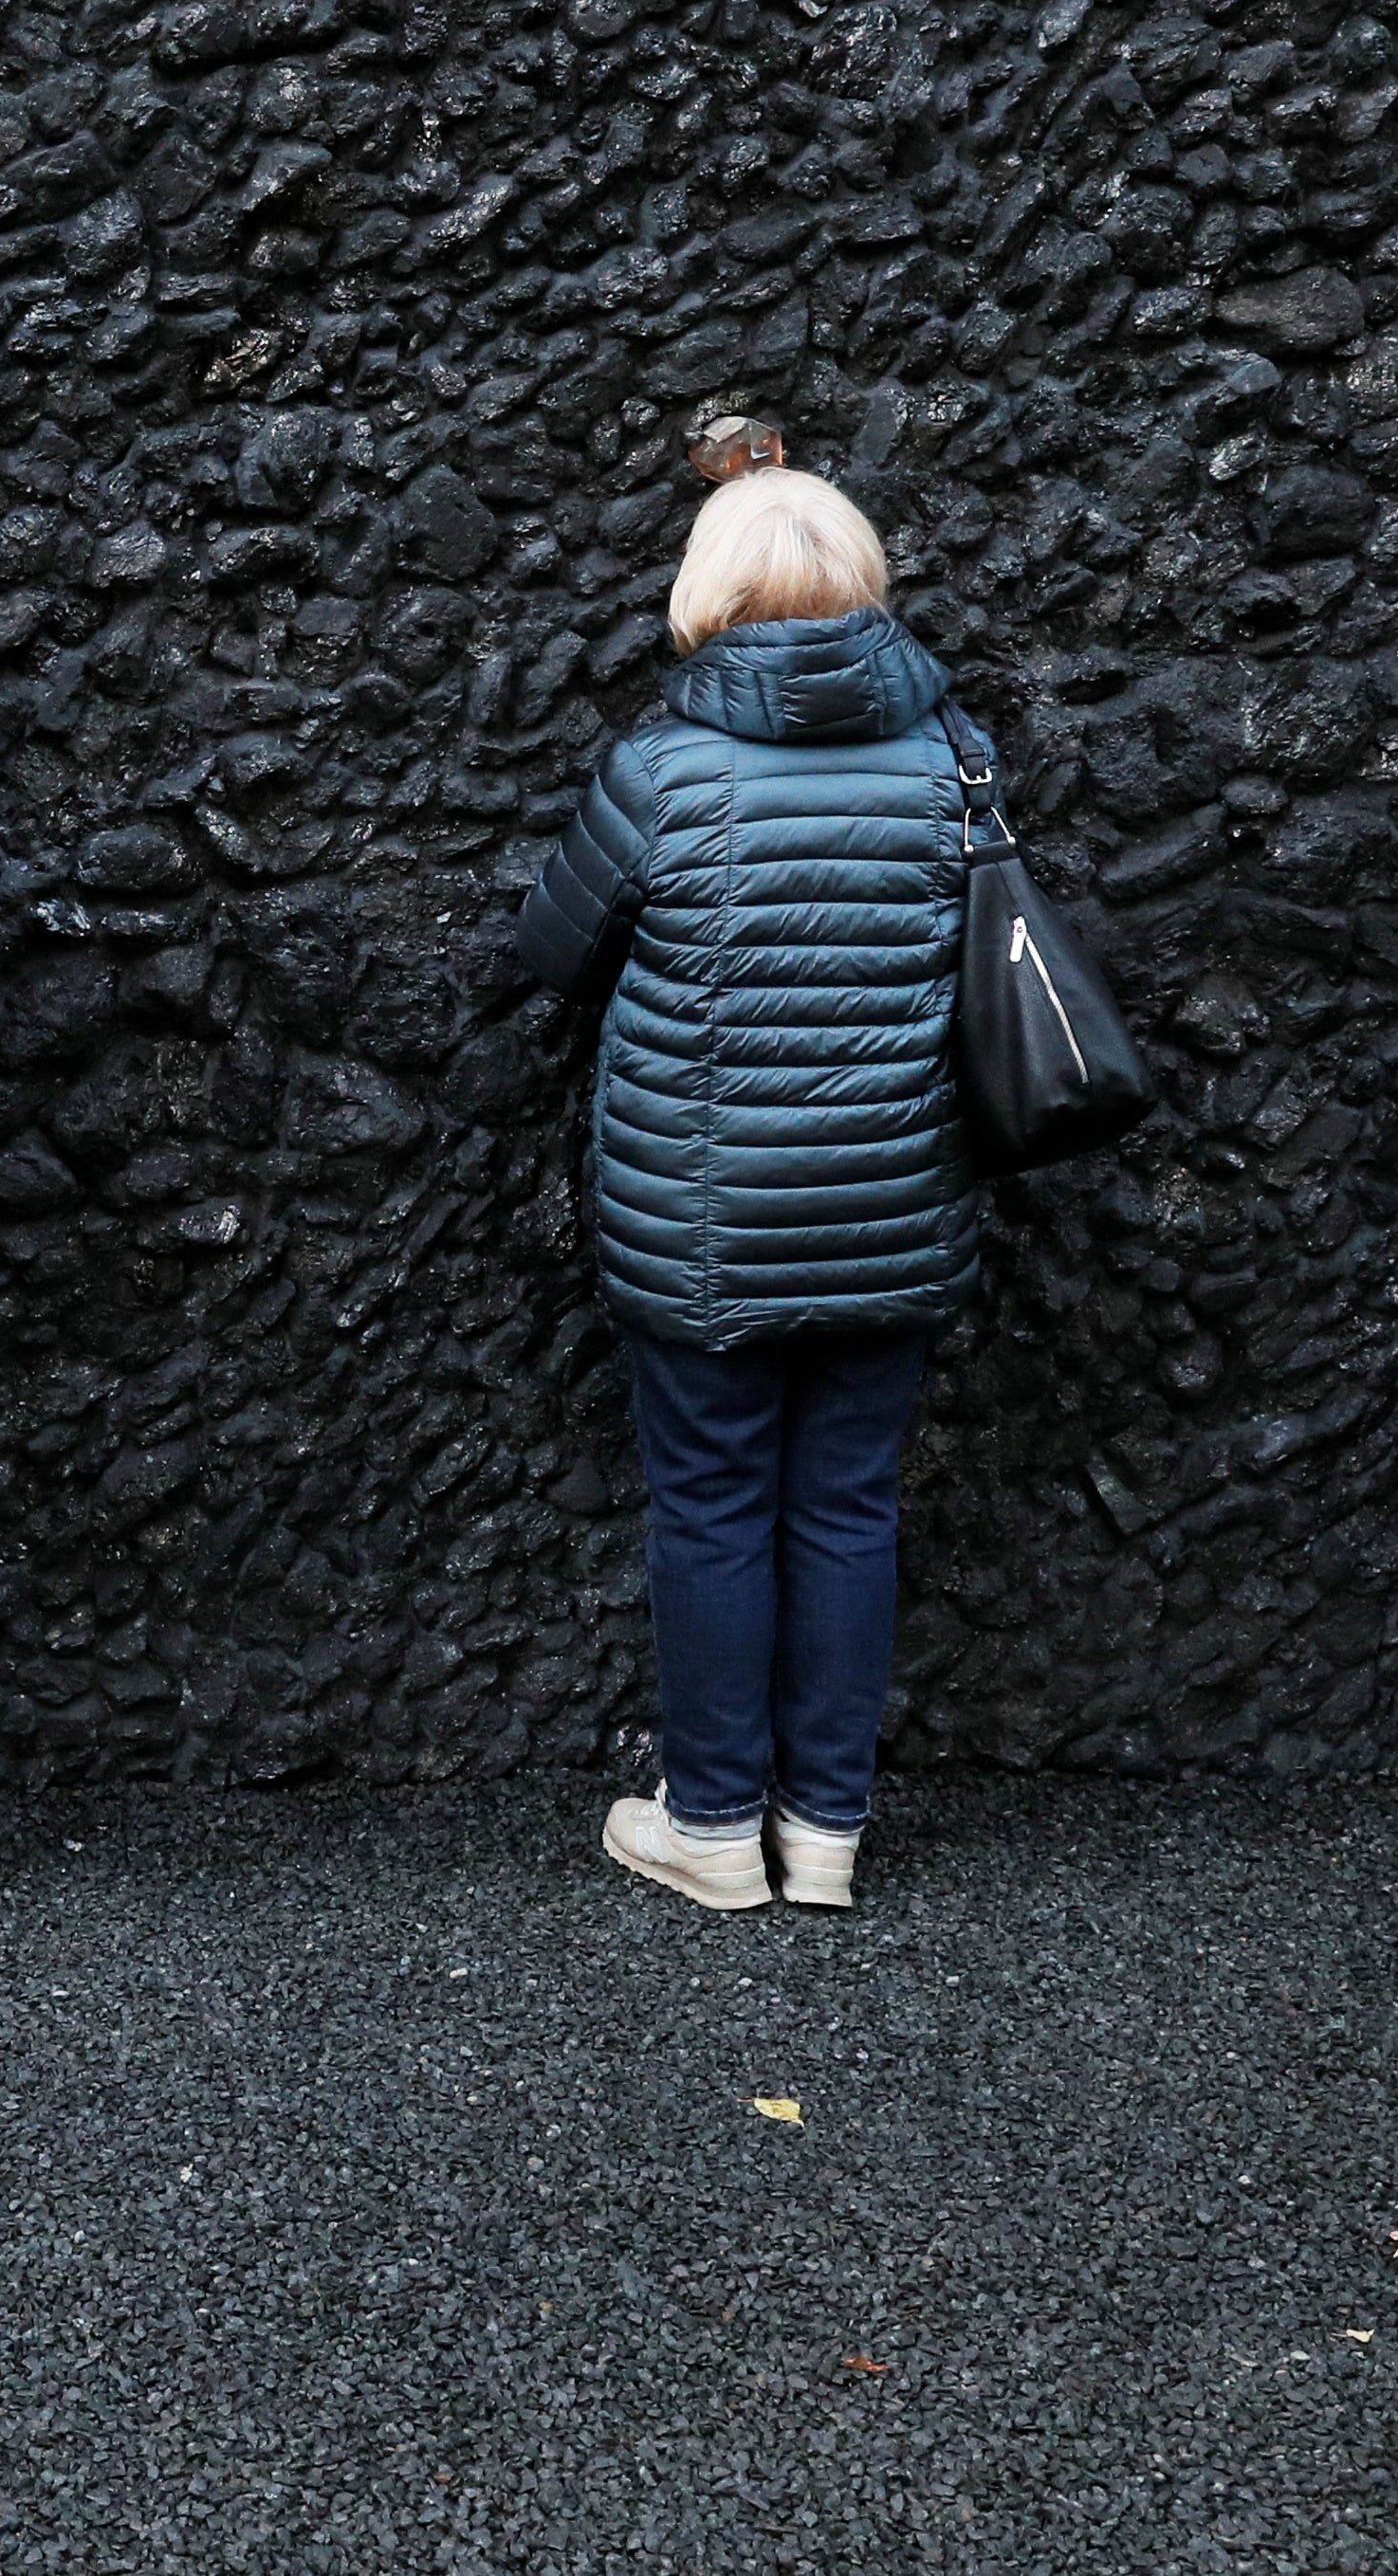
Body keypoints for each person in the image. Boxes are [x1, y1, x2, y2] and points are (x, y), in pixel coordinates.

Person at [511, 452, 975, 1916]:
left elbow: (548, 950)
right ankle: (826, 1827)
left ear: (708, 595)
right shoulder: (955, 755)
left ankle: (713, 1823)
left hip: (700, 1218)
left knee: (712, 1504)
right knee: (847, 1502)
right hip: (895, 1201)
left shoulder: (664, 767)